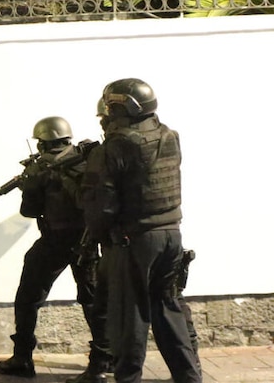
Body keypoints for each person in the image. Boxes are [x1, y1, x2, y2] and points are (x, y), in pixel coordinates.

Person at [81, 78, 201, 383]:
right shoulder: (168, 136)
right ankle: (190, 378)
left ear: (123, 106)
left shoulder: (115, 147)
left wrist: (97, 236)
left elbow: (102, 207)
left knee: (128, 318)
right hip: (171, 235)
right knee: (168, 311)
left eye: (110, 106)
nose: (107, 113)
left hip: (133, 241)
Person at [0, 117, 109, 380]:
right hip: (86, 240)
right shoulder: (86, 160)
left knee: (28, 297)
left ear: (43, 141)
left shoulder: (41, 167)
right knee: (93, 300)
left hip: (54, 241)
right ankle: (105, 358)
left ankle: (22, 357)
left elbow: (29, 211)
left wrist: (29, 186)